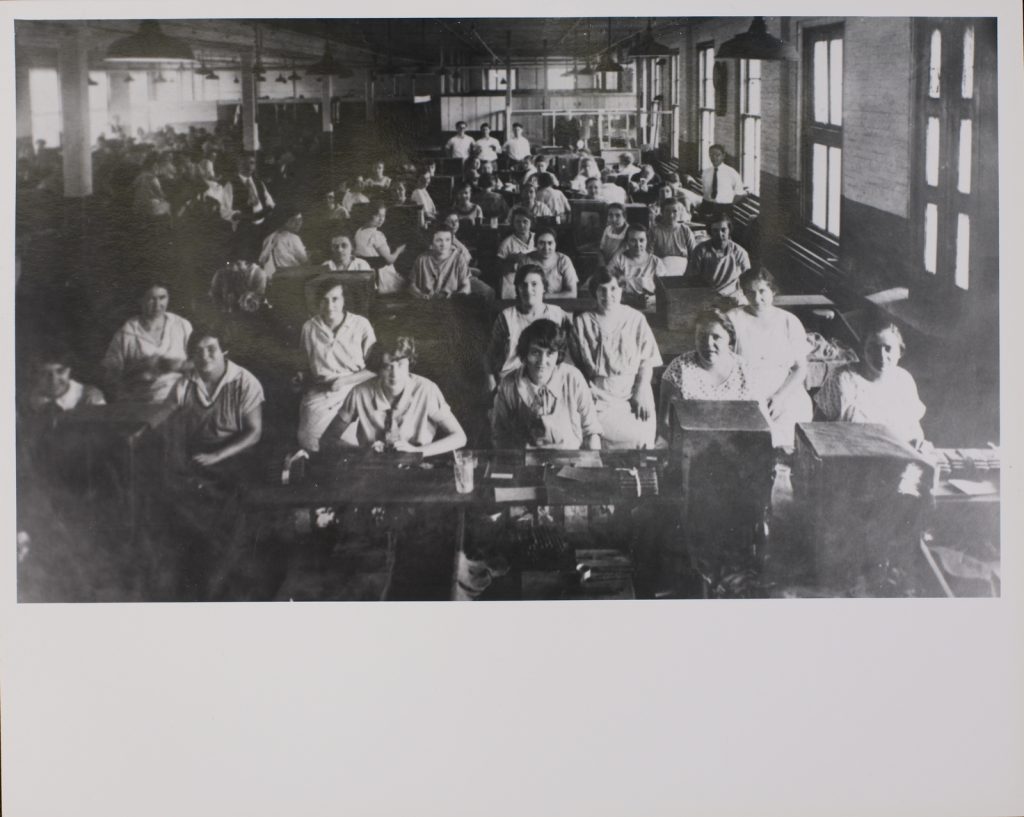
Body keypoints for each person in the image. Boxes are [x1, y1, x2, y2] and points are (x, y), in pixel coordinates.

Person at [324, 335, 467, 456]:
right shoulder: (359, 393)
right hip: (372, 469)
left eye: (400, 365)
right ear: (378, 369)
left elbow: (459, 437)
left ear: (410, 363)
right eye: (387, 366)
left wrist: (417, 451)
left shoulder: (426, 390)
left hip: (418, 465)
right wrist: (362, 451)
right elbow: (328, 439)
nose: (394, 374)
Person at [571, 269, 662, 449]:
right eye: (601, 290)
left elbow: (647, 360)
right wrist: (586, 393)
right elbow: (574, 366)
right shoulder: (583, 322)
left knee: (640, 438)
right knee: (592, 439)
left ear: (621, 290)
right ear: (594, 293)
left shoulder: (636, 319)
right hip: (597, 393)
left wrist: (641, 389)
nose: (608, 295)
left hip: (632, 391)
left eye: (613, 288)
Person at [728, 268, 813, 449]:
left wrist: (780, 396)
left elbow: (800, 368)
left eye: (762, 291)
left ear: (773, 291)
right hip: (744, 386)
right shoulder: (733, 318)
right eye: (750, 293)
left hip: (783, 388)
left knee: (789, 431)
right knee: (753, 438)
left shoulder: (789, 321)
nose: (757, 298)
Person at [814, 315, 927, 446]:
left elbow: (914, 428)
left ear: (900, 352)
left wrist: (918, 441)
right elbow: (815, 428)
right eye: (873, 348)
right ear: (863, 351)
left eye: (888, 348)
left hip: (897, 456)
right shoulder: (842, 378)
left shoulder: (904, 380)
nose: (881, 356)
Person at [492, 319, 601, 450]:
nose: (543, 362)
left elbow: (592, 432)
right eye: (535, 352)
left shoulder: (573, 378)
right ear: (525, 353)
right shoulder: (509, 384)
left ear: (558, 355)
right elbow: (499, 436)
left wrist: (591, 467)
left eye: (550, 353)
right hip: (525, 462)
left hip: (568, 460)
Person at [297, 280, 377, 452]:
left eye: (335, 299)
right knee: (309, 442)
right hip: (320, 392)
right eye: (324, 300)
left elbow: (374, 369)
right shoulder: (309, 327)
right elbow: (304, 367)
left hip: (354, 391)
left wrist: (344, 381)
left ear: (343, 301)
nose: (329, 305)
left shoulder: (361, 325)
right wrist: (300, 378)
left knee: (349, 445)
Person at [168, 328, 264, 468]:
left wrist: (216, 456)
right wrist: (178, 460)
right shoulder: (183, 385)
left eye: (211, 349)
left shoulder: (245, 382)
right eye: (198, 351)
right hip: (197, 456)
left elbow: (254, 432)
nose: (204, 356)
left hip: (235, 455)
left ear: (224, 351)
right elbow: (174, 430)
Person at [658, 307, 757, 440]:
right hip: (688, 446)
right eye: (702, 337)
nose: (708, 344)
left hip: (737, 445)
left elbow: (758, 420)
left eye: (716, 337)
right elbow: (664, 424)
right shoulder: (679, 368)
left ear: (730, 339)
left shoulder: (744, 369)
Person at [486, 264, 571, 392]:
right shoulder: (506, 317)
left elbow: (569, 353)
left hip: (548, 378)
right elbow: (491, 356)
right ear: (517, 289)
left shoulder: (558, 314)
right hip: (513, 381)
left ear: (544, 287)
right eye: (523, 285)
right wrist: (492, 383)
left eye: (534, 284)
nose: (528, 289)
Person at [102, 283, 193, 402]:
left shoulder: (181, 325)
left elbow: (200, 363)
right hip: (144, 403)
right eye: (151, 299)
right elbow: (109, 377)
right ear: (140, 300)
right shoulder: (126, 333)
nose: (157, 305)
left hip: (183, 398)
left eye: (162, 298)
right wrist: (140, 368)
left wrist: (180, 365)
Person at [687, 211, 751, 301]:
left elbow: (748, 279)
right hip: (707, 295)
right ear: (710, 232)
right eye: (715, 231)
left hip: (732, 296)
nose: (720, 234)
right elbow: (693, 277)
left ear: (729, 230)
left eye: (723, 230)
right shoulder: (700, 250)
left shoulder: (740, 252)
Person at [22, 346, 105, 416]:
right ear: (35, 374)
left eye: (60, 371)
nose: (53, 380)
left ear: (70, 370)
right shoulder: (26, 400)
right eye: (44, 373)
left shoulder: (89, 398)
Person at [507, 228, 577, 300]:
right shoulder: (526, 260)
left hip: (558, 305)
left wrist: (545, 297)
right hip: (532, 304)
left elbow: (572, 293)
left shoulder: (563, 260)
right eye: (541, 243)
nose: (546, 248)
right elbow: (519, 290)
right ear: (535, 244)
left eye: (550, 243)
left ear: (555, 244)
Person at [607, 225, 665, 310]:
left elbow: (663, 293)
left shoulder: (656, 262)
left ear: (647, 241)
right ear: (627, 242)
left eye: (641, 240)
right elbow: (607, 282)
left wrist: (651, 300)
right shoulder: (619, 259)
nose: (638, 245)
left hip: (649, 307)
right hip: (623, 305)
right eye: (633, 241)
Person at [354, 202, 407, 294]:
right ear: (369, 215)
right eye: (377, 215)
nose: (381, 219)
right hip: (380, 276)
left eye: (383, 216)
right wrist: (399, 250)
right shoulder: (376, 235)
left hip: (365, 272)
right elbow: (389, 260)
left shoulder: (359, 231)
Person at [409, 224, 471, 300]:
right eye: (439, 240)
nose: (444, 244)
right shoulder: (422, 259)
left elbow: (466, 285)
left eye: (447, 240)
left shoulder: (458, 259)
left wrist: (460, 296)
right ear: (431, 242)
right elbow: (412, 286)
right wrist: (420, 295)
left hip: (451, 302)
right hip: (427, 302)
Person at [648, 199, 698, 276]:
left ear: (680, 212)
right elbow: (648, 256)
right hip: (661, 270)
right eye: (667, 211)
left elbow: (694, 255)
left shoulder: (685, 230)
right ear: (662, 212)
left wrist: (688, 273)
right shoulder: (654, 231)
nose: (671, 215)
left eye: (675, 211)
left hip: (684, 270)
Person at [700, 144, 748, 218]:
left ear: (723, 156)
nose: (714, 158)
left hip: (724, 208)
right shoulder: (706, 172)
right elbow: (705, 191)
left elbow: (740, 193)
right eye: (711, 155)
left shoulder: (731, 173)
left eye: (717, 155)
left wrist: (728, 204)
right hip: (707, 206)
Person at [257, 210, 308, 275]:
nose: (298, 223)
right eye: (293, 220)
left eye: (300, 220)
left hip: (271, 279)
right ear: (285, 222)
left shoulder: (268, 238)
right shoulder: (293, 238)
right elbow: (304, 260)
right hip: (288, 278)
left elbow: (261, 261)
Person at [497, 207, 536, 275]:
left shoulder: (538, 238)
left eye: (525, 221)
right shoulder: (507, 243)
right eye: (518, 222)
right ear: (513, 223)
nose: (521, 225)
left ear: (531, 223)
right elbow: (499, 268)